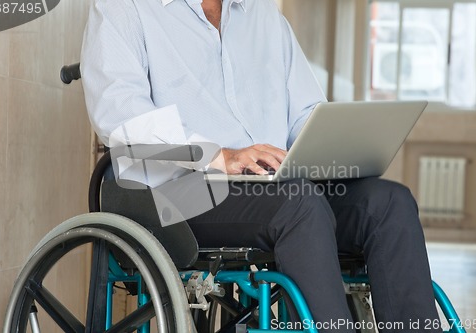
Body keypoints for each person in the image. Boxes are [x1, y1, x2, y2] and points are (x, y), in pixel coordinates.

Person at [81, 0, 441, 331]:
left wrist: (335, 148)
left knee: (387, 203)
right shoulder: (123, 9)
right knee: (298, 206)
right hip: (175, 194)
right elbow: (120, 119)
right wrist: (221, 155)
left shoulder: (264, 17)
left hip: (276, 188)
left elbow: (305, 114)